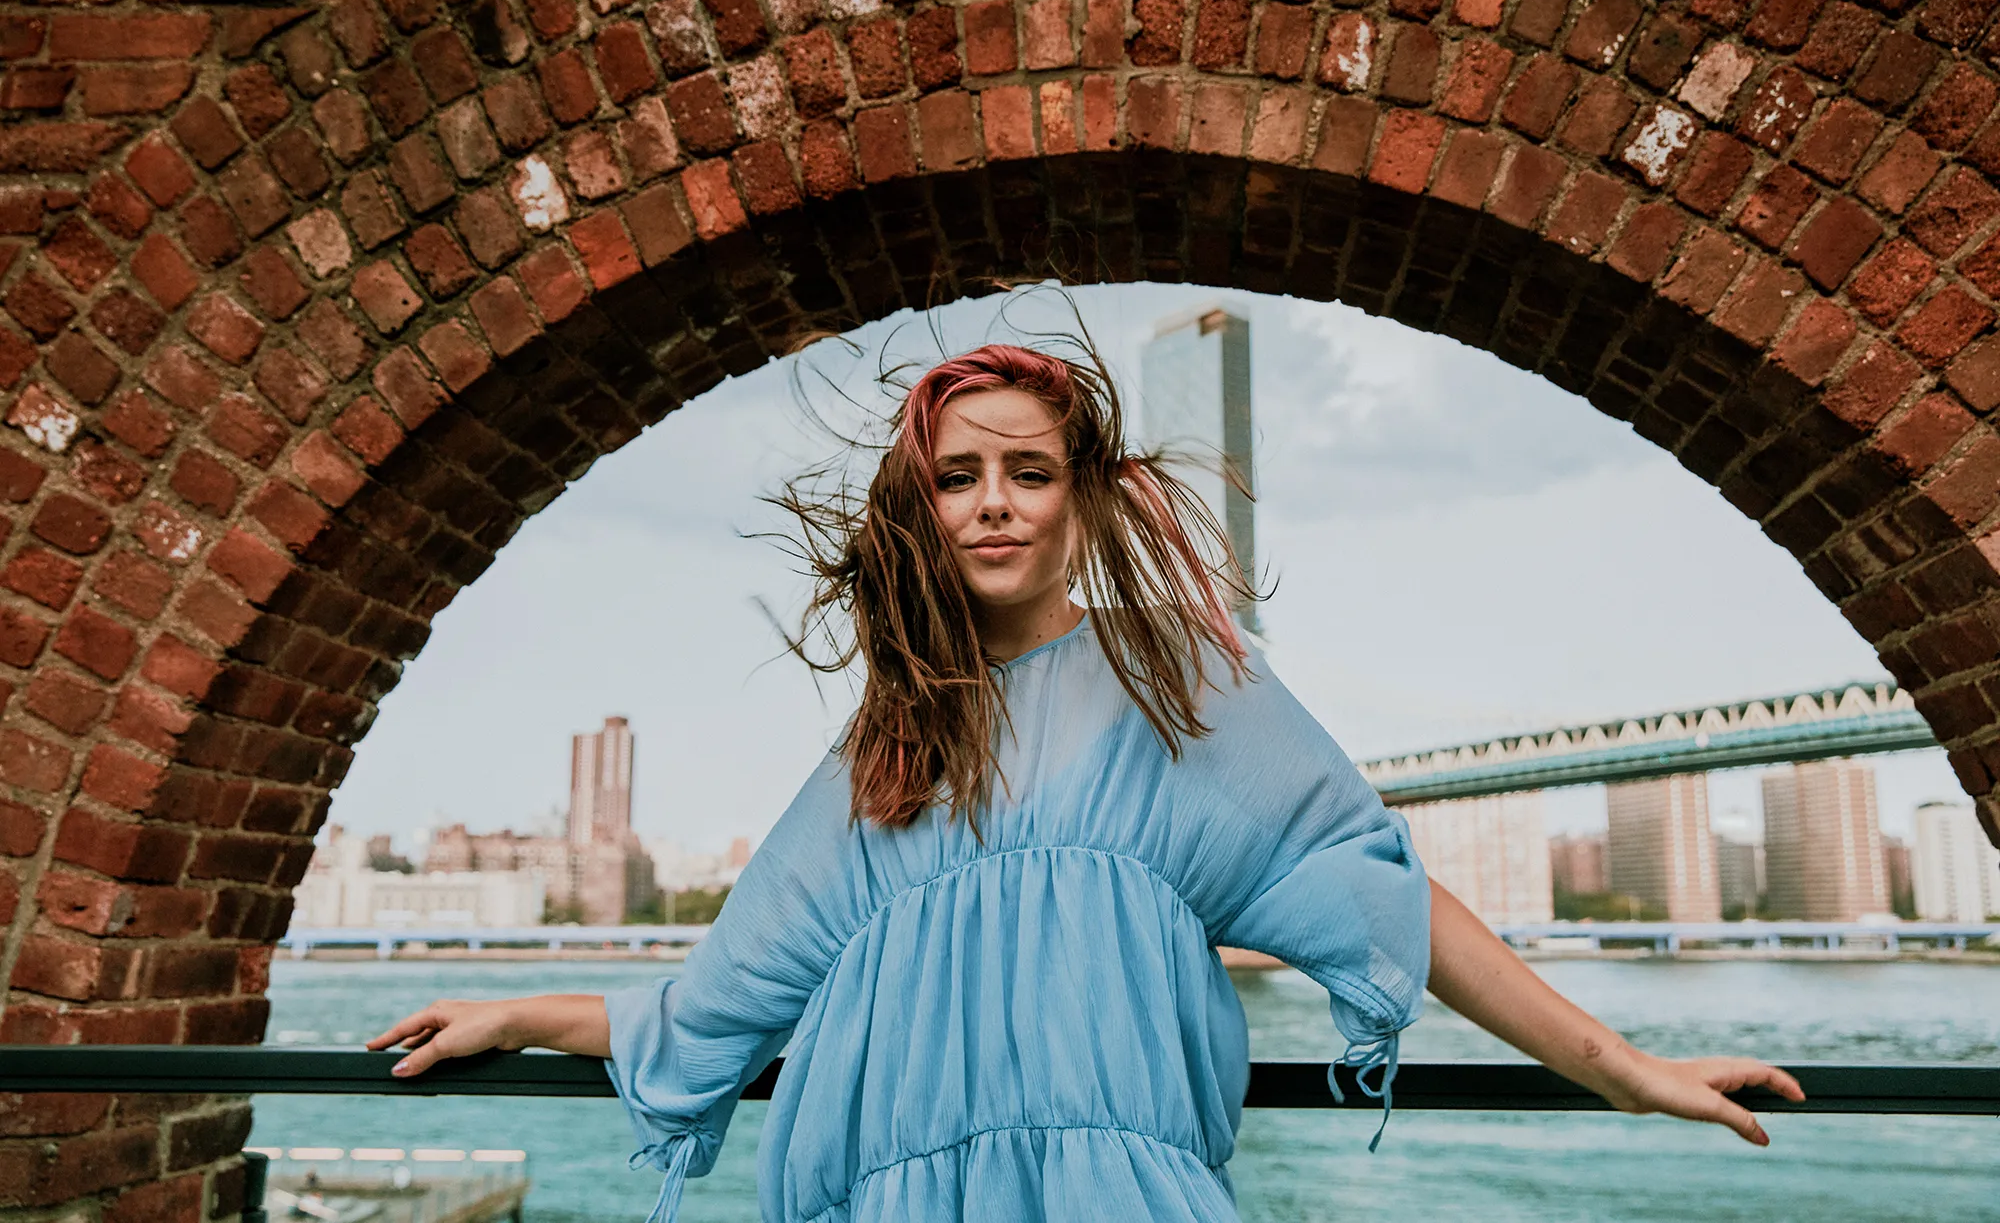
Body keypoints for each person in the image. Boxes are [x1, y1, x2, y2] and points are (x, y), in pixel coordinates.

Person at [368, 340, 1803, 1223]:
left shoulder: (1182, 686)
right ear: (919, 513)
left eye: (1029, 471)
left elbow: (1388, 906)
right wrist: (518, 1013)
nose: (993, 500)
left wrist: (1629, 1072)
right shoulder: (885, 755)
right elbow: (720, 1002)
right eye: (956, 478)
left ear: (1087, 498)